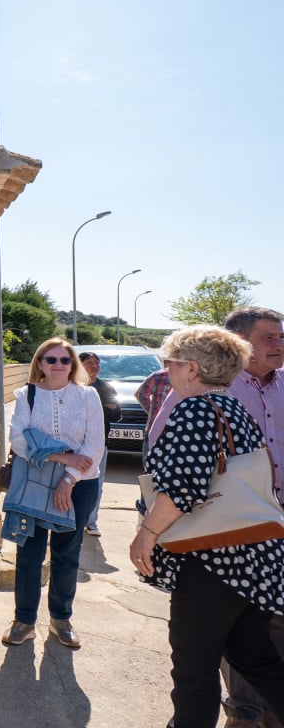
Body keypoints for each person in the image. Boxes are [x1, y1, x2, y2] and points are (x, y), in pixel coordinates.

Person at [130, 325, 284, 728]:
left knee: (193, 670)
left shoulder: (194, 409)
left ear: (192, 369)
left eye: (172, 363)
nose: (168, 371)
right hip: (252, 552)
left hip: (211, 560)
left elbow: (183, 488)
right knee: (254, 654)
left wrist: (146, 534)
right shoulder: (236, 408)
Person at [1, 338, 103, 650]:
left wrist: (69, 478)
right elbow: (18, 439)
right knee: (29, 555)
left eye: (65, 360)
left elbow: (94, 444)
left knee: (67, 553)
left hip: (80, 484)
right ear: (40, 364)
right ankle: (24, 620)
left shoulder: (87, 396)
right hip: (35, 479)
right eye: (51, 360)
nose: (58, 365)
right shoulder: (26, 394)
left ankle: (61, 619)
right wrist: (62, 458)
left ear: (73, 365)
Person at [220, 307, 284, 728]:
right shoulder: (216, 388)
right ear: (241, 342)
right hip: (234, 526)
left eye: (281, 337)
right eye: (269, 338)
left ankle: (271, 710)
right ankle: (243, 712)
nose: (279, 345)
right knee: (237, 621)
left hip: (280, 521)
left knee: (277, 619)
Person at [78, 351, 121, 536]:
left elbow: (116, 414)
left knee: (96, 482)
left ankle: (91, 521)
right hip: (73, 443)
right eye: (89, 362)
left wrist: (97, 409)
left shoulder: (106, 388)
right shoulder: (71, 386)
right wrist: (102, 408)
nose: (94, 366)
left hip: (98, 443)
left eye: (97, 362)